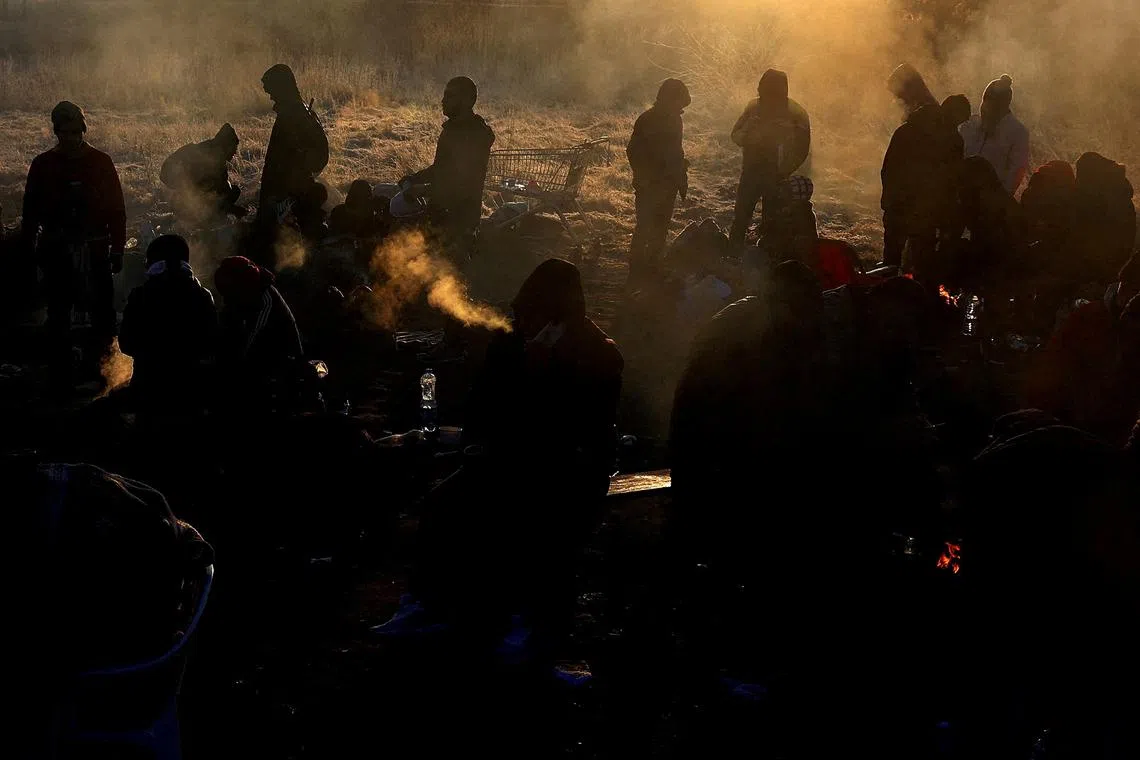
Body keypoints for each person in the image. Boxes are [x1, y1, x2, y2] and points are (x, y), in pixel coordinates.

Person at [382, 259, 623, 654]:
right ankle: (427, 606)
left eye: (537, 316)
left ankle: (528, 625)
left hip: (563, 473)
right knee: (442, 506)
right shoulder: (512, 342)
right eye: (523, 314)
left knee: (536, 530)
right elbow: (483, 405)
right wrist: (478, 443)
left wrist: (544, 375)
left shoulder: (599, 355)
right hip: (504, 462)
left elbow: (584, 433)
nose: (526, 323)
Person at [21, 101, 126, 390]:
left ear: (83, 129)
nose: (71, 138)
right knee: (58, 313)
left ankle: (105, 373)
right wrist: (29, 253)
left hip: (95, 247)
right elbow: (30, 214)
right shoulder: (43, 165)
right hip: (57, 248)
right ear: (56, 133)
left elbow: (116, 209)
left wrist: (117, 248)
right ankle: (61, 373)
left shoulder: (100, 162)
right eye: (64, 132)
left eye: (75, 131)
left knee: (102, 313)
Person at [401, 76, 495, 264]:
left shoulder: (471, 137)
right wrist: (414, 178)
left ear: (468, 100)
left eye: (450, 96)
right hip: (444, 209)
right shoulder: (454, 130)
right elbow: (441, 170)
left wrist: (421, 189)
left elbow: (460, 185)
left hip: (457, 217)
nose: (443, 100)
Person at [119, 235, 217, 412]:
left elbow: (126, 344)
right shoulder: (203, 296)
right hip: (191, 392)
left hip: (149, 390)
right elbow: (211, 344)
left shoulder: (140, 296)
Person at [880, 86, 968, 270]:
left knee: (891, 260)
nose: (958, 126)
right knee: (921, 262)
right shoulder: (953, 140)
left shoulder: (906, 130)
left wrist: (890, 200)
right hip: (925, 211)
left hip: (900, 206)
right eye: (959, 121)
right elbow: (951, 181)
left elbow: (888, 169)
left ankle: (886, 294)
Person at [728, 69, 811, 245]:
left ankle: (768, 259)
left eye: (771, 92)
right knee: (741, 217)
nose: (766, 97)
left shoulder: (796, 113)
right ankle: (733, 255)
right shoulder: (753, 107)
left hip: (778, 177)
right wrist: (749, 135)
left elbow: (803, 149)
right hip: (751, 171)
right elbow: (735, 135)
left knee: (773, 222)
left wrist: (785, 170)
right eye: (763, 91)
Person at [256, 64, 329, 248]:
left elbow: (275, 161)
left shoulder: (291, 116)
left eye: (272, 91)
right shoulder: (300, 111)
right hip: (295, 183)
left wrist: (269, 199)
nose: (271, 96)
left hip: (291, 187)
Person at [626, 78, 691, 281]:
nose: (680, 108)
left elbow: (675, 151)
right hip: (651, 184)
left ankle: (652, 265)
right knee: (645, 226)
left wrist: (680, 173)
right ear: (667, 99)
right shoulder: (648, 120)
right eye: (678, 103)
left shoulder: (674, 119)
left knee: (661, 226)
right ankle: (636, 269)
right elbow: (633, 152)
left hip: (667, 183)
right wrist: (644, 177)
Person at [214, 255, 304, 393]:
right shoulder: (243, 294)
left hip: (282, 363)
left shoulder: (266, 299)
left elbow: (255, 332)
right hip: (263, 357)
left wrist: (235, 364)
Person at [159, 123, 246, 223]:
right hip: (184, 199)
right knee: (218, 199)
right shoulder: (210, 159)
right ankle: (193, 218)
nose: (235, 152)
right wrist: (232, 209)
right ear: (226, 146)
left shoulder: (213, 153)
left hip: (184, 194)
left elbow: (222, 189)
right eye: (233, 148)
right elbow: (213, 195)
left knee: (232, 192)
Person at [1071, 151, 1136, 284]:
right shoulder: (1119, 190)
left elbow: (1086, 230)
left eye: (1080, 173)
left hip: (1101, 262)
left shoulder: (1096, 197)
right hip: (1120, 259)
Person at [960, 75, 1030, 195]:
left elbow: (1014, 176)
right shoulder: (970, 124)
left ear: (1003, 106)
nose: (985, 109)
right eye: (984, 103)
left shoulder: (1018, 133)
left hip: (990, 202)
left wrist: (995, 201)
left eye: (992, 106)